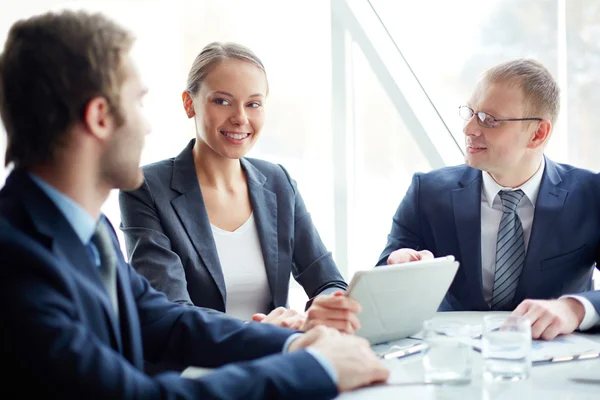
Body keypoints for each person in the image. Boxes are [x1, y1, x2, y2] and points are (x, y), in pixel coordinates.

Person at [0, 10, 389, 398]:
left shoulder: (89, 232)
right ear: (100, 117)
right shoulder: (15, 258)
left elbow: (166, 321)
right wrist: (312, 368)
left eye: (254, 104)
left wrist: (291, 344)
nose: (147, 125)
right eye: (138, 102)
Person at [119, 42, 358, 332]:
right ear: (188, 103)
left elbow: (329, 281)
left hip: (276, 357)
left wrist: (325, 309)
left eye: (253, 104)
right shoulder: (146, 189)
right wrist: (258, 332)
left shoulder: (278, 182)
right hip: (195, 370)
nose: (240, 118)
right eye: (222, 101)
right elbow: (172, 312)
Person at [377, 59, 600, 340]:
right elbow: (380, 288)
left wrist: (574, 309)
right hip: (454, 361)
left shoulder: (591, 194)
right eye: (471, 112)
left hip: (558, 362)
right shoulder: (428, 193)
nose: (469, 129)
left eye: (489, 119)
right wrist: (397, 267)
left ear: (538, 133)